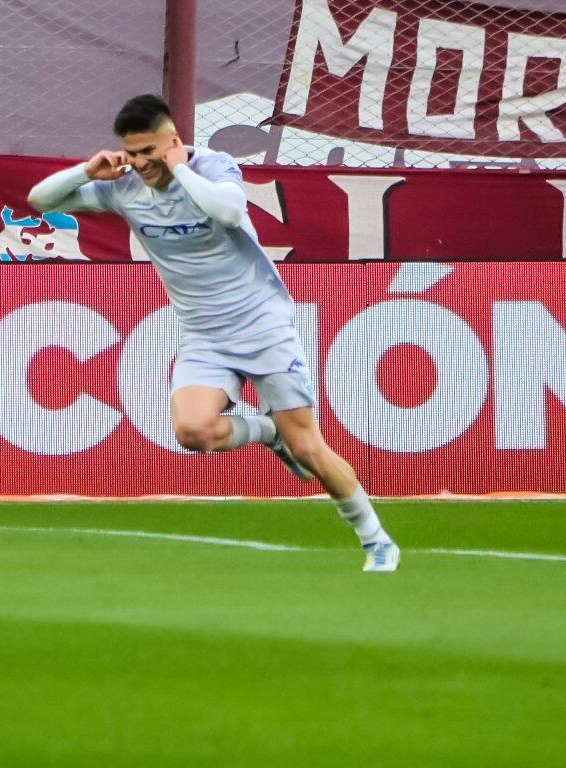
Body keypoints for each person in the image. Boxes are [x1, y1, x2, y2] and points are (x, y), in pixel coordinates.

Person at [26, 94, 399, 572]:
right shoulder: (123, 188)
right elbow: (40, 200)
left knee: (308, 447)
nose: (141, 163)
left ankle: (376, 540)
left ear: (174, 142)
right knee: (193, 431)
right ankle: (267, 431)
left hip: (262, 323)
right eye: (132, 153)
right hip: (203, 333)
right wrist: (87, 170)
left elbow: (226, 211)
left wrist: (181, 169)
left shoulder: (212, 166)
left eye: (150, 151)